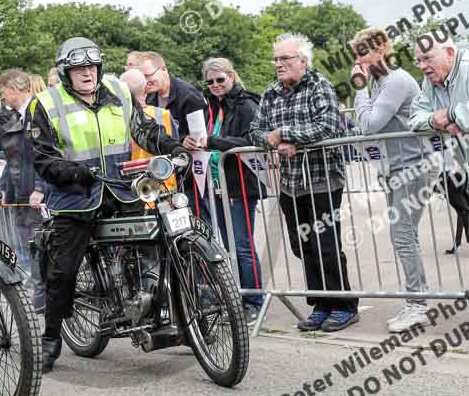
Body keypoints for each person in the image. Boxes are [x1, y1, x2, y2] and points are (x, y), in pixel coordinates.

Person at [30, 37, 190, 372]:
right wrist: (75, 173)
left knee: (161, 242)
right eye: (79, 68)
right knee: (64, 269)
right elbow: (43, 158)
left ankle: (179, 317)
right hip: (75, 196)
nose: (87, 73)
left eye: (91, 66)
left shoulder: (118, 91)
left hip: (120, 190)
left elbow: (144, 130)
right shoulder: (46, 103)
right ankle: (51, 338)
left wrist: (174, 149)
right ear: (66, 71)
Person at [249, 33, 356, 332]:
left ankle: (344, 305)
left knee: (326, 244)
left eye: (284, 58)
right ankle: (321, 303)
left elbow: (329, 126)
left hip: (322, 179)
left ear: (302, 61)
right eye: (276, 59)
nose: (278, 64)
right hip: (290, 182)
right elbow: (255, 131)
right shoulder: (270, 92)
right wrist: (272, 139)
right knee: (302, 245)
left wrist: (285, 133)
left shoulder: (319, 85)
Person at [409, 35, 469, 338]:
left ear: (450, 53)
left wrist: (453, 114)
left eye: (428, 59)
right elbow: (415, 118)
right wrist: (439, 121)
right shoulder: (431, 82)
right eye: (419, 61)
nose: (423, 66)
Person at [350, 27, 438, 333]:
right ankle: (417, 301)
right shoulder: (378, 82)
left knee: (402, 235)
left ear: (380, 50)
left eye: (362, 53)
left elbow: (369, 125)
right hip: (395, 168)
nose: (357, 60)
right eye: (355, 54)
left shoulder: (395, 81)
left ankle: (417, 305)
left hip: (414, 166)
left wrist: (359, 88)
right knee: (404, 235)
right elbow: (363, 123)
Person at [195, 58, 265, 322]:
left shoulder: (246, 104)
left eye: (220, 80)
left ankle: (254, 301)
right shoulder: (211, 106)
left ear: (232, 77)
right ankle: (239, 299)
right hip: (217, 185)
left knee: (243, 246)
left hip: (240, 186)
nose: (215, 85)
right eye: (210, 81)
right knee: (229, 246)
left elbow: (251, 141)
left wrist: (212, 141)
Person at [0, 69, 47, 313]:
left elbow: (42, 154)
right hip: (21, 196)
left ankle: (43, 302)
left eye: (4, 91)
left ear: (14, 89)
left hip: (35, 196)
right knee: (31, 247)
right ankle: (41, 301)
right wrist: (6, 189)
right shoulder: (18, 116)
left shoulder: (37, 113)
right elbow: (13, 158)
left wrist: (40, 187)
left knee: (39, 246)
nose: (3, 96)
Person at [141, 51, 209, 217]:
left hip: (192, 174)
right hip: (166, 172)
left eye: (148, 75)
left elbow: (200, 135)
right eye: (142, 77)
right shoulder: (149, 97)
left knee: (200, 217)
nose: (146, 81)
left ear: (163, 69)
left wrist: (184, 140)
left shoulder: (189, 96)